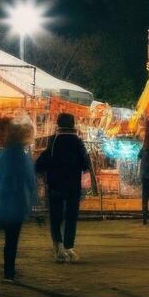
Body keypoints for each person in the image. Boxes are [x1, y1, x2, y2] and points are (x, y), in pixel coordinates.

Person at [36, 112, 93, 261]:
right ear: (73, 124)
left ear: (58, 124)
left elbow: (42, 163)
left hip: (55, 185)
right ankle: (69, 247)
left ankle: (59, 248)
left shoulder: (53, 141)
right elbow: (86, 164)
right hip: (73, 186)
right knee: (71, 216)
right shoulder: (78, 142)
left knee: (56, 217)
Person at [0, 123, 37, 284]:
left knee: (9, 239)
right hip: (16, 203)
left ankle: (8, 271)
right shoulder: (22, 156)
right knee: (12, 239)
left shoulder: (0, 155)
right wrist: (33, 200)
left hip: (3, 202)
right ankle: (9, 272)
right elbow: (30, 180)